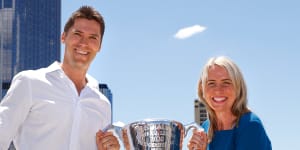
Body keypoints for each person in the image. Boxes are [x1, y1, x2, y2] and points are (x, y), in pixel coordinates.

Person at [0, 6, 120, 150]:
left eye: (93, 37)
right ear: (63, 37)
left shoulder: (103, 105)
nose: (84, 43)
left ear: (99, 46)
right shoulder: (29, 83)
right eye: (77, 34)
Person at [188, 56, 272, 150]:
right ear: (202, 89)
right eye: (211, 83)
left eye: (226, 83)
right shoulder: (205, 127)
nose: (218, 91)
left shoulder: (250, 125)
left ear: (238, 88)